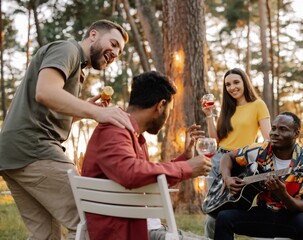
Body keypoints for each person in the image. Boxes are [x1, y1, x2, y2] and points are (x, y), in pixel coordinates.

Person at [0, 19, 133, 240]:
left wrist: (84, 111)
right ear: (93, 35)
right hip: (35, 149)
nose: (116, 52)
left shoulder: (77, 68)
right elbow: (45, 92)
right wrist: (98, 113)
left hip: (13, 154)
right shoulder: (68, 49)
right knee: (90, 220)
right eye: (113, 43)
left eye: (119, 50)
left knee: (46, 235)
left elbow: (48, 113)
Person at [81, 71, 212, 240]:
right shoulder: (114, 129)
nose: (167, 117)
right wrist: (186, 168)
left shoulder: (134, 136)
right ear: (160, 105)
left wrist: (184, 159)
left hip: (142, 227)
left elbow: (146, 178)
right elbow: (130, 173)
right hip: (128, 232)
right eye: (169, 111)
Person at [214, 112, 303, 240]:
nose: (275, 133)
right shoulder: (260, 150)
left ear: (296, 134)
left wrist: (282, 194)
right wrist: (227, 178)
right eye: (273, 128)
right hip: (263, 214)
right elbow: (227, 157)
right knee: (224, 218)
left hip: (292, 218)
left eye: (283, 129)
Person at [202, 68, 271, 238]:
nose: (232, 87)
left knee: (236, 208)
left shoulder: (258, 105)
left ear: (244, 82)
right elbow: (215, 140)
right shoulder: (227, 108)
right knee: (213, 212)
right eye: (228, 84)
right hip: (219, 161)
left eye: (236, 82)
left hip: (242, 162)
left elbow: (268, 139)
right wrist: (209, 116)